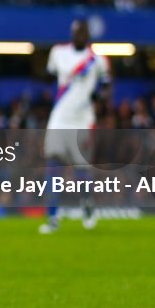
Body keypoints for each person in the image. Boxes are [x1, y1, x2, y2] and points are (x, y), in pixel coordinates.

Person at [39, 19, 112, 234]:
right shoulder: (58, 53)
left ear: (88, 34)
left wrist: (99, 96)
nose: (80, 35)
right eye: (77, 31)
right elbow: (49, 74)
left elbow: (106, 86)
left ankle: (87, 205)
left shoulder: (97, 60)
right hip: (59, 118)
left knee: (82, 170)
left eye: (84, 31)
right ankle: (53, 217)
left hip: (82, 120)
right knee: (53, 165)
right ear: (72, 33)